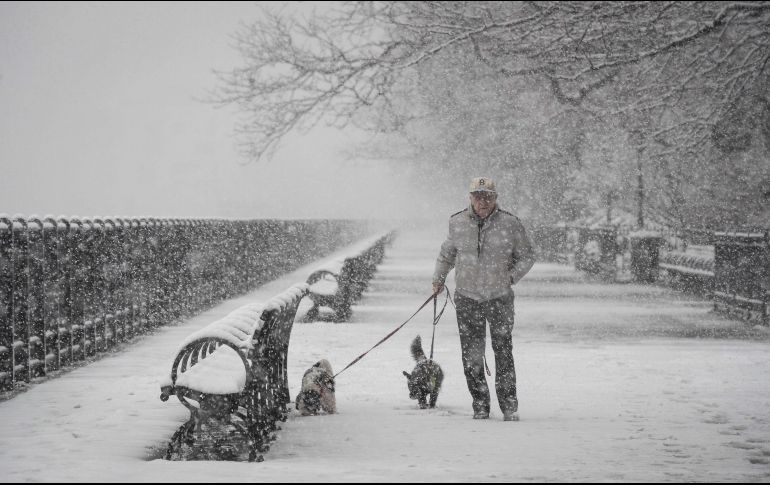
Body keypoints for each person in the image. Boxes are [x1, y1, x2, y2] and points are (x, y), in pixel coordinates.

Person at [432, 176, 535, 421]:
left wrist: (510, 278)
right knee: (471, 353)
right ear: (470, 198)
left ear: (495, 198)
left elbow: (527, 255)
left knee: (503, 351)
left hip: (499, 297)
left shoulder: (510, 223)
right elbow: (447, 254)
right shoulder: (456, 222)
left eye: (487, 196)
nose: (483, 201)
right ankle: (480, 403)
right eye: (478, 196)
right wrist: (438, 279)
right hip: (467, 296)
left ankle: (509, 405)